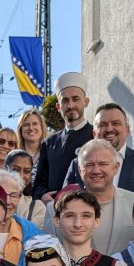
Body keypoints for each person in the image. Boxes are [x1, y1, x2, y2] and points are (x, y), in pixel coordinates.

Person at [64, 103, 134, 193]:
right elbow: (64, 205)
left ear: (127, 130)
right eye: (102, 125)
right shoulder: (77, 165)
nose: (109, 129)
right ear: (94, 133)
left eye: (116, 123)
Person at [30, 72, 93, 202]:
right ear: (58, 107)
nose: (70, 105)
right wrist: (43, 195)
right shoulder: (49, 142)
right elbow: (39, 184)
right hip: (55, 212)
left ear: (86, 102)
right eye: (65, 101)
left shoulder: (96, 137)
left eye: (75, 99)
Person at [74, 139, 134, 255]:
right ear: (79, 170)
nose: (96, 171)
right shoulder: (57, 210)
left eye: (103, 164)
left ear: (116, 167)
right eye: (89, 165)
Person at [5, 149, 47, 229]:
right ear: (5, 170)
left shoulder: (37, 207)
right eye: (16, 170)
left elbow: (34, 237)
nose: (21, 175)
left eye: (27, 171)